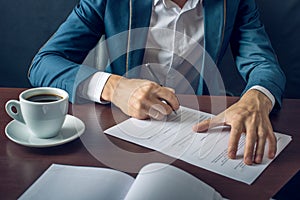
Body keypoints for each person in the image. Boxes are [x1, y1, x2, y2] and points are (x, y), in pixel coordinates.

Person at [28, 0, 286, 165]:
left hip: (199, 131)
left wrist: (257, 98)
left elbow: (263, 63)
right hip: (117, 130)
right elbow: (44, 63)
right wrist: (114, 87)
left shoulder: (236, 2)